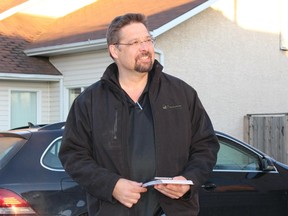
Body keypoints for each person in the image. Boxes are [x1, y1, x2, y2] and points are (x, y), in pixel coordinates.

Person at [59, 13, 219, 216]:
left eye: (148, 40)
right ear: (114, 51)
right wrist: (112, 186)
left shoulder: (181, 93)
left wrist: (189, 180)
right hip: (115, 211)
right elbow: (73, 155)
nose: (145, 48)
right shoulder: (90, 101)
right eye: (135, 42)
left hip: (174, 210)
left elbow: (206, 145)